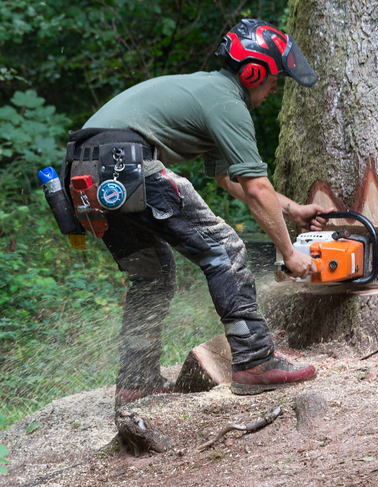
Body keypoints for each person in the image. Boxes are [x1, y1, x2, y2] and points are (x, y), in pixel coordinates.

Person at [67, 19, 332, 406]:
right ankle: (255, 362)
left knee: (153, 275)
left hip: (82, 171)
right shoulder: (226, 101)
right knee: (225, 249)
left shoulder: (209, 93)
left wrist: (293, 212)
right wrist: (290, 254)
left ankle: (135, 381)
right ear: (253, 70)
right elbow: (257, 188)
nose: (276, 87)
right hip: (127, 162)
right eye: (275, 77)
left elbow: (232, 180)